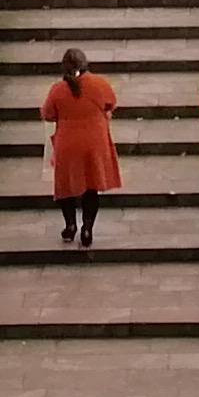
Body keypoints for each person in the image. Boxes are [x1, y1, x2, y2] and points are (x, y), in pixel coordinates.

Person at [40, 45, 121, 247]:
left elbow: (47, 114)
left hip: (67, 143)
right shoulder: (99, 83)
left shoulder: (57, 90)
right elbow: (111, 103)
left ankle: (70, 226)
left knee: (65, 186)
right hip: (94, 141)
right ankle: (87, 229)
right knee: (91, 187)